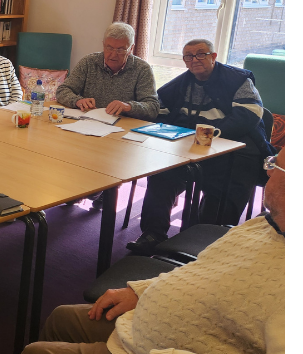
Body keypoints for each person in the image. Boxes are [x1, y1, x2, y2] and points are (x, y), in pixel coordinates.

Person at [22, 148, 284, 354]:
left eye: (276, 166)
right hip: (144, 321)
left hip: (158, 346)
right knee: (60, 318)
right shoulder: (263, 225)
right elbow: (202, 268)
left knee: (38, 351)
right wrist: (144, 290)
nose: (268, 173)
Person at [128, 39, 273, 251]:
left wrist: (211, 132)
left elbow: (250, 114)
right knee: (161, 174)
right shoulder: (179, 84)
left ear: (213, 56)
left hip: (235, 149)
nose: (194, 59)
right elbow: (161, 111)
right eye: (189, 56)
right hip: (190, 147)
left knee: (225, 187)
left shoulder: (238, 80)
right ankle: (153, 233)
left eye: (201, 54)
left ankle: (202, 244)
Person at [54, 22, 159, 121]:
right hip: (88, 122)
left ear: (131, 49)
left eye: (120, 50)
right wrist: (77, 101)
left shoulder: (142, 69)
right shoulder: (88, 62)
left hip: (123, 128)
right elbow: (62, 90)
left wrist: (129, 107)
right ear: (103, 44)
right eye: (109, 48)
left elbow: (153, 108)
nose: (113, 55)